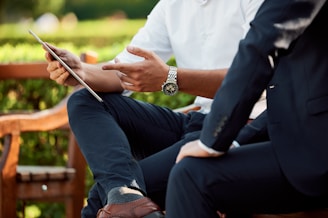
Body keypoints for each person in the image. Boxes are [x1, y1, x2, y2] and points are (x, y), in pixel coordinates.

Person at [44, 0, 265, 217]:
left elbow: (251, 78)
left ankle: (124, 196)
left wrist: (171, 78)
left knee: (100, 200)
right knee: (84, 101)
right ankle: (125, 194)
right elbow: (123, 71)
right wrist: (80, 71)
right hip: (195, 121)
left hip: (241, 127)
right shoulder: (171, 5)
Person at [165, 0, 328, 217]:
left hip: (315, 152)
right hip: (301, 141)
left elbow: (259, 47)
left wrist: (211, 141)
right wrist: (235, 140)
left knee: (191, 176)